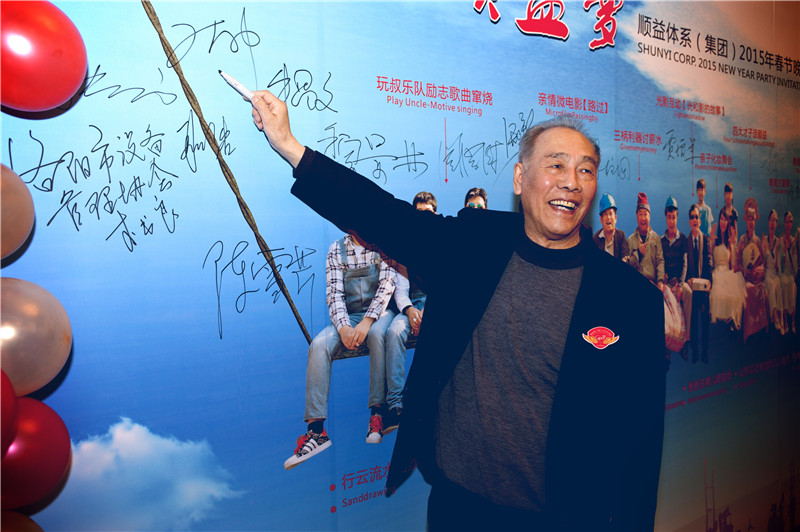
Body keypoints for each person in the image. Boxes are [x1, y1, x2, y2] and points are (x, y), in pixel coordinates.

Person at [250, 89, 665, 531]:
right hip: (456, 508)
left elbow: (641, 445)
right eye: (557, 165)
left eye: (586, 170)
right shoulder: (475, 243)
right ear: (520, 177)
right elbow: (384, 216)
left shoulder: (630, 299)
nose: (572, 182)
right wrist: (290, 146)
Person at [283, 230, 397, 469]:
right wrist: (344, 327)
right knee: (318, 345)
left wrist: (367, 322)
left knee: (377, 335)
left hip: (380, 314)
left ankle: (378, 413)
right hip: (349, 316)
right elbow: (334, 293)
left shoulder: (382, 243)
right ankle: (316, 431)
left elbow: (387, 285)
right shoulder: (337, 249)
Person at [382, 191, 438, 437]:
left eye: (428, 213)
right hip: (411, 306)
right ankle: (395, 404)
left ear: (435, 213)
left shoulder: (445, 243)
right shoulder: (405, 247)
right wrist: (410, 310)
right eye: (419, 214)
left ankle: (429, 402)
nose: (423, 219)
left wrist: (428, 312)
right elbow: (401, 290)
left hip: (437, 306)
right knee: (394, 331)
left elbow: (447, 285)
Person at [662, 196, 691, 352]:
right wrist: (663, 278)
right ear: (666, 218)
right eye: (669, 217)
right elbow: (660, 263)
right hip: (667, 284)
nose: (671, 221)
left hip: (679, 282)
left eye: (674, 217)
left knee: (688, 293)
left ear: (677, 218)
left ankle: (686, 340)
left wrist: (680, 285)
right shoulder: (661, 241)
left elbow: (685, 264)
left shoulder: (683, 239)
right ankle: (668, 342)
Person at [737, 198, 768, 341]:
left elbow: (762, 262)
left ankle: (761, 328)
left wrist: (759, 271)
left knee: (761, 288)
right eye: (749, 219)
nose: (751, 222)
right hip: (746, 279)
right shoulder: (742, 240)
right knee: (748, 289)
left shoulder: (757, 241)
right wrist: (745, 270)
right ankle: (750, 331)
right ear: (746, 221)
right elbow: (738, 262)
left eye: (753, 219)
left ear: (755, 221)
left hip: (756, 279)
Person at [709, 209, 746, 330]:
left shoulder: (730, 241)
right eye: (721, 219)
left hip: (727, 271)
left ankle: (731, 320)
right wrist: (711, 241)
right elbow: (709, 260)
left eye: (725, 220)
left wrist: (733, 245)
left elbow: (733, 266)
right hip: (716, 272)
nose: (723, 222)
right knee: (718, 292)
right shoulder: (714, 239)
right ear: (719, 220)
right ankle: (725, 320)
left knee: (734, 293)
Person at [686, 204, 712, 362]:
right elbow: (685, 266)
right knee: (693, 321)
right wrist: (688, 280)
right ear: (689, 221)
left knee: (705, 321)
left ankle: (705, 351)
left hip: (704, 289)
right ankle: (695, 350)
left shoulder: (706, 240)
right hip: (692, 289)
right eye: (692, 217)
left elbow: (709, 262)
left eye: (697, 217)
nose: (694, 220)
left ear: (700, 221)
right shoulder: (686, 241)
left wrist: (709, 283)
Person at [628, 192, 665, 291]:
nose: (643, 218)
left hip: (653, 285)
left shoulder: (656, 238)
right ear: (636, 216)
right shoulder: (630, 240)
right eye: (640, 214)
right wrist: (638, 253)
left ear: (650, 216)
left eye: (645, 214)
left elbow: (660, 261)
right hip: (635, 286)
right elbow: (627, 266)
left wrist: (660, 281)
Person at [592, 192, 636, 267]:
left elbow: (625, 256)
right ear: (601, 219)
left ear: (615, 218)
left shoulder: (621, 236)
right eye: (605, 214)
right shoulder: (595, 239)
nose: (608, 217)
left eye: (610, 213)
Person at [762, 209, 786, 334]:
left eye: (775, 221)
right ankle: (775, 318)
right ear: (768, 222)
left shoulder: (779, 241)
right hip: (767, 272)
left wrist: (776, 251)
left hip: (775, 272)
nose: (772, 223)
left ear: (776, 224)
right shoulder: (764, 240)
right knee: (771, 284)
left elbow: (777, 267)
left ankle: (781, 320)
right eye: (771, 220)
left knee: (777, 283)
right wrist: (765, 248)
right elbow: (763, 263)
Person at [777, 211, 797, 333]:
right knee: (784, 283)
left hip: (791, 273)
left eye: (790, 222)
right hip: (784, 272)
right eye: (786, 222)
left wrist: (793, 252)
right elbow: (780, 261)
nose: (788, 224)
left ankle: (793, 320)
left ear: (791, 223)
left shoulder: (794, 241)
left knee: (792, 285)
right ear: (784, 224)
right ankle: (784, 320)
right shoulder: (782, 240)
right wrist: (784, 249)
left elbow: (795, 265)